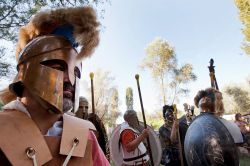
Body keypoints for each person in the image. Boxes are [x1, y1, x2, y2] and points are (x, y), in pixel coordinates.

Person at [0, 7, 109, 165]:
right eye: (57, 68)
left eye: (76, 73)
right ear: (26, 72)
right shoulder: (3, 128)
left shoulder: (84, 135)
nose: (70, 80)